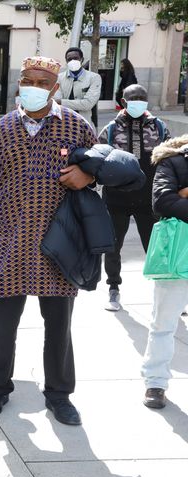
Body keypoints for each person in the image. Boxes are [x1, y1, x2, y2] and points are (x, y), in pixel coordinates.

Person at [0, 56, 98, 426]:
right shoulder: (0, 130)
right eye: (28, 80)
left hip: (60, 247)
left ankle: (58, 394)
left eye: (42, 82)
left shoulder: (77, 127)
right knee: (3, 326)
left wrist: (87, 178)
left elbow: (101, 170)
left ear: (55, 88)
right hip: (7, 243)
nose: (34, 88)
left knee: (59, 326)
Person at [98, 83, 171, 312]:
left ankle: (165, 294)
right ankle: (113, 288)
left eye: (142, 97)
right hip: (116, 198)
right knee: (113, 246)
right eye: (133, 98)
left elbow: (170, 160)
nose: (138, 101)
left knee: (156, 248)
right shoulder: (111, 128)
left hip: (148, 199)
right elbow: (98, 159)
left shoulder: (159, 127)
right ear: (124, 101)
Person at [141, 134, 188, 409]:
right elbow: (162, 202)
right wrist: (177, 195)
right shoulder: (172, 160)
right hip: (177, 253)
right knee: (163, 323)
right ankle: (155, 382)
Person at [55, 47, 102, 129]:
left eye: (76, 58)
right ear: (66, 61)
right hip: (63, 125)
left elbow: (88, 104)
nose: (73, 61)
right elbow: (56, 102)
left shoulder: (94, 78)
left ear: (82, 59)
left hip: (84, 124)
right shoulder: (59, 78)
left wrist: (61, 102)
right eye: (69, 59)